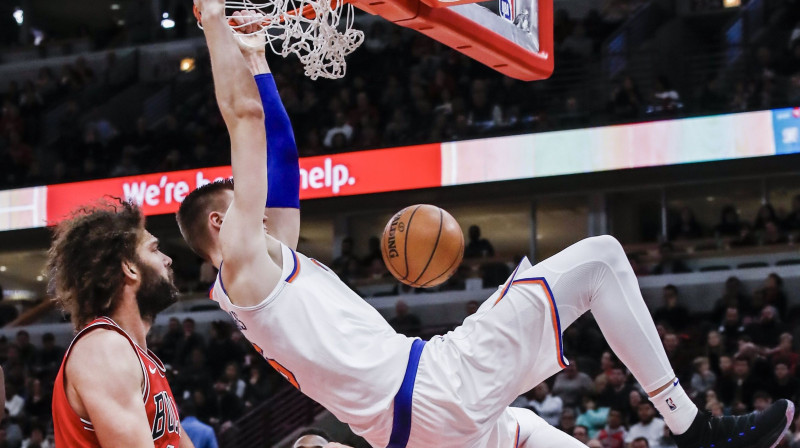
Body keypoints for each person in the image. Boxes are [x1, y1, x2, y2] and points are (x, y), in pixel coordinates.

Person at [177, 2, 795, 447]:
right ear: (219, 221)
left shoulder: (265, 269)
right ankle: (696, 429)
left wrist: (259, 57)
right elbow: (245, 120)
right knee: (602, 260)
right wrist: (214, 23)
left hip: (417, 432)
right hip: (430, 389)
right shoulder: (244, 261)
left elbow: (281, 153)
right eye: (242, 197)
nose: (257, 198)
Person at [48, 199, 191, 447]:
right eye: (154, 249)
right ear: (129, 268)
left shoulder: (137, 355)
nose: (167, 259)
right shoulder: (104, 348)